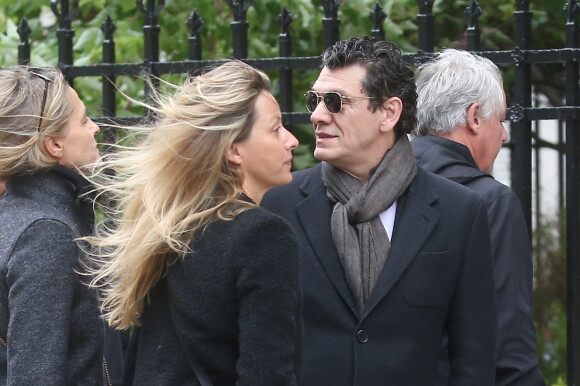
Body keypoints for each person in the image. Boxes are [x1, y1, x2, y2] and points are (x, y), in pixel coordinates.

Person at [262, 36, 497, 385]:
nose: (317, 115)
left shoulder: (458, 212)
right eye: (315, 100)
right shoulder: (280, 203)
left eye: (335, 102)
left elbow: (474, 359)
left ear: (389, 113)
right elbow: (262, 341)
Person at [85, 60, 301, 385]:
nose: (292, 140)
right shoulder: (262, 235)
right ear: (233, 150)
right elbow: (268, 374)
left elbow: (141, 361)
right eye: (275, 129)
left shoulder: (168, 227)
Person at [412, 49, 546, 386]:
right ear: (474, 118)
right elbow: (508, 340)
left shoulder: (377, 185)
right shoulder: (490, 201)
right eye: (499, 120)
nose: (504, 134)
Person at [0, 66, 103, 384]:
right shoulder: (45, 232)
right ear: (54, 145)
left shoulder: (22, 212)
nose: (95, 128)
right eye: (84, 121)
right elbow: (36, 374)